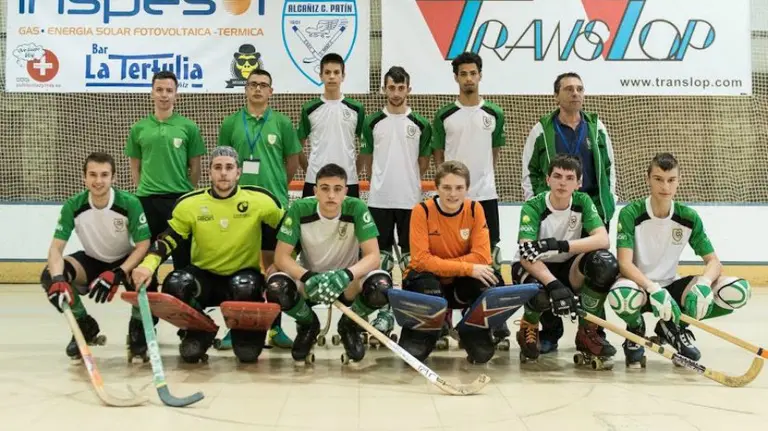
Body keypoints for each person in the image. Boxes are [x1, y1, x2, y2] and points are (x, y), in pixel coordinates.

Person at [131, 147, 285, 364]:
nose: (223, 173)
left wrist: (281, 263)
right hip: (204, 277)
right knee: (175, 283)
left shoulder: (260, 201)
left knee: (247, 354)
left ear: (238, 173)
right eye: (218, 167)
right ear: (209, 172)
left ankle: (246, 335)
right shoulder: (190, 204)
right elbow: (167, 239)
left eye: (229, 168)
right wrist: (147, 265)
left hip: (242, 277)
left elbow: (290, 231)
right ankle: (200, 330)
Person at [609, 153, 751, 366]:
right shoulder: (631, 212)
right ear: (648, 179)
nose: (665, 186)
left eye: (671, 180)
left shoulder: (688, 217)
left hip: (671, 286)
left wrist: (704, 284)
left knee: (736, 292)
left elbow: (714, 262)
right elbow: (624, 263)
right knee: (621, 296)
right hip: (639, 287)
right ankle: (636, 328)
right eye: (658, 179)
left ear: (678, 181)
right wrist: (652, 288)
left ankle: (672, 327)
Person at [521, 72, 618, 354]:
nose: (575, 93)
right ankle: (550, 332)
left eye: (579, 88)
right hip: (554, 210)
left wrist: (607, 203)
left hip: (591, 213)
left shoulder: (597, 127)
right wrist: (541, 207)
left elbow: (609, 167)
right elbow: (529, 171)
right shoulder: (542, 130)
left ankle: (591, 331)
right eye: (568, 89)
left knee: (600, 267)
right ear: (557, 96)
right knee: (551, 267)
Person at [266, 163, 391, 364]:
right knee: (276, 286)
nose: (331, 195)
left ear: (345, 192)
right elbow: (281, 257)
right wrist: (307, 277)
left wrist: (346, 274)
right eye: (324, 188)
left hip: (347, 282)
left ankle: (348, 325)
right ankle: (308, 324)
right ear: (315, 191)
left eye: (337, 189)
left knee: (381, 286)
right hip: (310, 281)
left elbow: (373, 256)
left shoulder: (357, 208)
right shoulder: (299, 208)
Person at [217, 68, 301, 349]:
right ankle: (235, 327)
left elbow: (291, 162)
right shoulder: (230, 124)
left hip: (273, 207)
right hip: (237, 208)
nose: (257, 90)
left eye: (263, 85)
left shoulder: (283, 124)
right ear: (245, 89)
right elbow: (224, 163)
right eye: (252, 85)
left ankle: (276, 328)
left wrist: (276, 188)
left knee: (273, 269)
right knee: (238, 269)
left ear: (270, 91)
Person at [41, 152, 152, 361]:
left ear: (114, 178)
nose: (98, 181)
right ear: (84, 178)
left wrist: (119, 272)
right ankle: (84, 326)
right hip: (91, 260)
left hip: (123, 259)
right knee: (50, 277)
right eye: (92, 175)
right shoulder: (73, 205)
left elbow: (143, 245)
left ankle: (138, 329)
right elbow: (56, 249)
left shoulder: (130, 203)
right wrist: (58, 279)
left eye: (104, 175)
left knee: (145, 279)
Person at [513, 154, 619, 365]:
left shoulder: (583, 201)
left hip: (568, 265)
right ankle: (529, 325)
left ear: (578, 183)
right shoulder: (533, 206)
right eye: (557, 176)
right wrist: (553, 284)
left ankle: (587, 331)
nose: (562, 182)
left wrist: (559, 245)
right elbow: (526, 255)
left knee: (604, 263)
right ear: (547, 180)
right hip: (534, 267)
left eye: (570, 178)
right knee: (541, 296)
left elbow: (603, 239)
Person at [400, 160, 501, 364]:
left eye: (459, 188)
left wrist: (441, 264)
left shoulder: (475, 209)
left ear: (467, 189)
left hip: (459, 284)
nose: (452, 194)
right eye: (446, 187)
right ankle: (422, 335)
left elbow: (482, 258)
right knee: (427, 283)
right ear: (436, 188)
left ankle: (473, 331)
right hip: (428, 283)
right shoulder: (422, 211)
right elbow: (420, 260)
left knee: (487, 279)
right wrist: (464, 267)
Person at [358, 66, 432, 336]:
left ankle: (413, 317)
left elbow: (422, 163)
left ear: (408, 90)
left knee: (413, 263)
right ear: (384, 89)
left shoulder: (422, 124)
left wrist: (407, 181)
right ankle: (383, 314)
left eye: (401, 88)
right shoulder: (372, 122)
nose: (396, 93)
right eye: (391, 87)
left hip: (411, 202)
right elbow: (366, 158)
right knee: (381, 262)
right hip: (379, 201)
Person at [432, 52, 505, 275]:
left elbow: (494, 151)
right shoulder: (444, 115)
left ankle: (489, 302)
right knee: (452, 251)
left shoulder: (495, 113)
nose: (468, 79)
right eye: (463, 74)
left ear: (480, 75)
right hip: (455, 197)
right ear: (456, 78)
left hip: (486, 194)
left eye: (473, 73)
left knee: (491, 253)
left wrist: (485, 176)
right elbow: (438, 154)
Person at [125, 70, 206, 271]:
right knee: (146, 254)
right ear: (151, 93)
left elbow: (195, 167)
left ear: (176, 95)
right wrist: (145, 188)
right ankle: (144, 300)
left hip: (178, 201)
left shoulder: (189, 127)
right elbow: (135, 167)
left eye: (169, 90)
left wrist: (186, 193)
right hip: (146, 200)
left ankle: (182, 296)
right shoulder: (138, 128)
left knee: (182, 255)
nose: (164, 94)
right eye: (159, 89)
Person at [297, 53, 365, 198]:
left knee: (348, 221)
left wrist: (353, 172)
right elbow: (297, 146)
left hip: (348, 181)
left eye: (336, 72)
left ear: (343, 76)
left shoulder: (356, 108)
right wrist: (310, 169)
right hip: (315, 180)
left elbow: (365, 146)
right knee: (312, 221)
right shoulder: (309, 109)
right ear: (321, 76)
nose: (332, 76)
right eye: (327, 72)